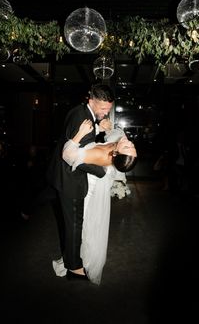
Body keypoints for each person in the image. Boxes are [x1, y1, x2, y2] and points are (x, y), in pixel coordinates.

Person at [52, 119, 137, 284]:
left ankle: (77, 264)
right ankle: (75, 262)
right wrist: (104, 127)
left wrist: (80, 134)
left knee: (83, 229)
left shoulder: (101, 156)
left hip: (86, 192)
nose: (130, 144)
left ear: (116, 154)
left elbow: (68, 154)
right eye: (133, 148)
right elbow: (117, 134)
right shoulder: (117, 145)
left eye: (128, 147)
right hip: (86, 183)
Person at [47, 84, 115, 280]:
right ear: (90, 100)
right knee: (75, 223)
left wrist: (98, 128)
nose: (105, 112)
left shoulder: (81, 112)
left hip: (65, 176)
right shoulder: (82, 117)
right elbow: (76, 156)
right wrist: (105, 171)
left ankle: (71, 258)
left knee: (74, 222)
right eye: (102, 108)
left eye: (108, 109)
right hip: (71, 179)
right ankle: (74, 267)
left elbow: (85, 144)